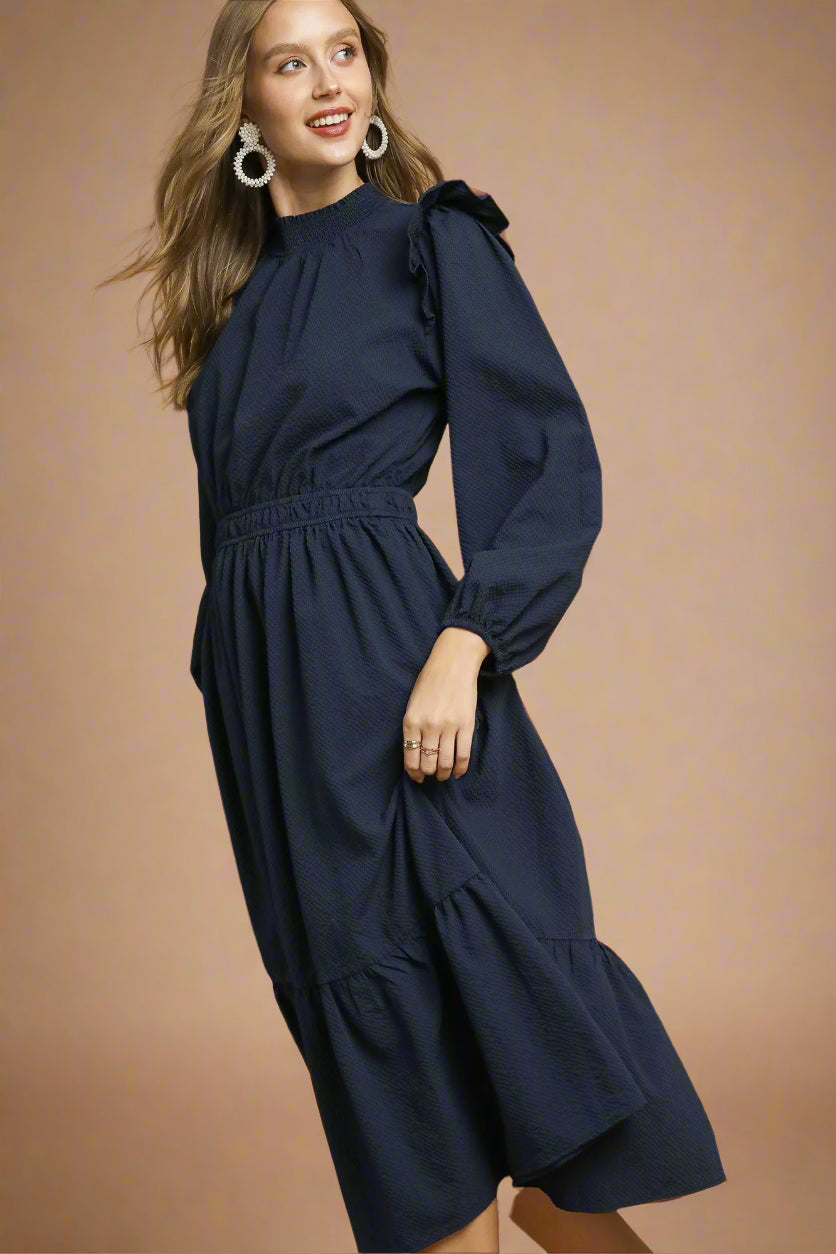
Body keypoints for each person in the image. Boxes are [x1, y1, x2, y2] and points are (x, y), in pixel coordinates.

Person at [100, 2, 727, 1251]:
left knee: (519, 1107)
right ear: (247, 101)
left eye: (346, 51)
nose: (328, 81)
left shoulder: (429, 242)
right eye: (292, 59)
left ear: (372, 79)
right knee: (410, 1114)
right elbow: (234, 542)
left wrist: (463, 646)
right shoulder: (230, 302)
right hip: (281, 727)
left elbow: (547, 467)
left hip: (405, 689)